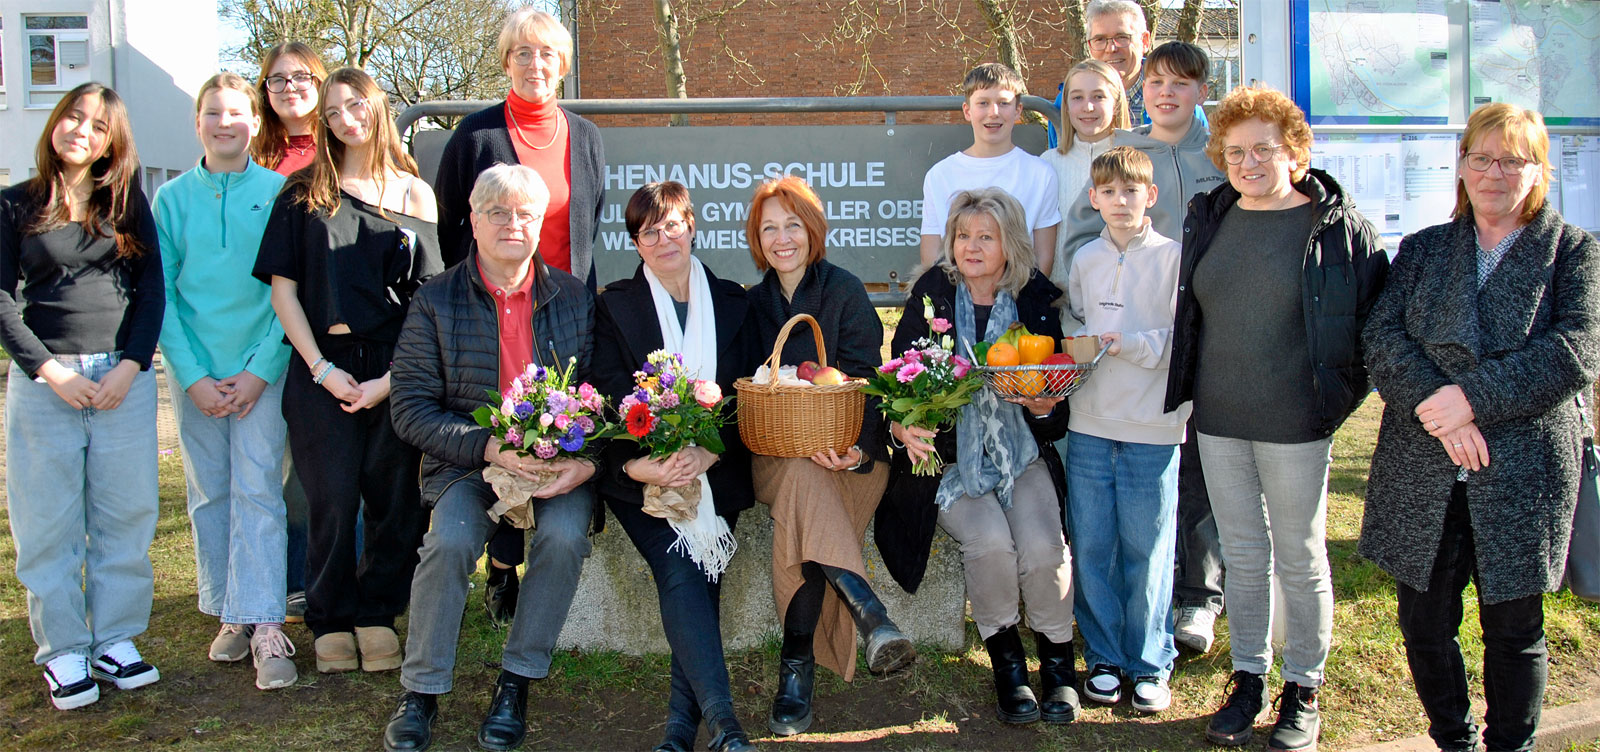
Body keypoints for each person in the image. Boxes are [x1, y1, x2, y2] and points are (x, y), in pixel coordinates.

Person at [1361, 102, 1600, 752]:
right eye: (1481, 157)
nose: (1494, 172)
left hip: (1522, 468)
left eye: (1512, 159)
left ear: (1539, 169)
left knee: (1514, 626)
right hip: (1425, 461)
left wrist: (1470, 399)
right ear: (1462, 164)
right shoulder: (1426, 247)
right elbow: (1382, 335)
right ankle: (1455, 740)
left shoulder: (1573, 252)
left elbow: (1577, 349)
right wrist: (1438, 407)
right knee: (1423, 621)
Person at [1164, 85, 1388, 752]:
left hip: (1296, 425)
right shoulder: (1214, 214)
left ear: (1293, 150)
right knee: (1244, 555)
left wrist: (1327, 408)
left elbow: (1370, 332)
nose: (1249, 162)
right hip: (1220, 419)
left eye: (1264, 148)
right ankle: (1249, 678)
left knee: (1301, 556)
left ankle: (1303, 688)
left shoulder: (1336, 227)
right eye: (1235, 151)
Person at [384, 164, 597, 752]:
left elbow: (601, 396)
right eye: (497, 213)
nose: (512, 224)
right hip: (469, 462)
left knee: (564, 537)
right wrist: (486, 446)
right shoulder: (435, 301)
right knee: (449, 544)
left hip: (557, 464)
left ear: (540, 224)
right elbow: (410, 409)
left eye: (525, 214)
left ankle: (516, 681)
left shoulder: (573, 298)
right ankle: (421, 692)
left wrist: (588, 461)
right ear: (473, 222)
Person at [253, 67, 443, 676]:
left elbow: (430, 299)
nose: (343, 118)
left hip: (397, 371)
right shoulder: (303, 193)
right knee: (329, 498)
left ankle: (378, 612)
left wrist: (392, 380)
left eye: (353, 104)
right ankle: (330, 617)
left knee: (396, 500)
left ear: (377, 107)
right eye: (331, 111)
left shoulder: (416, 194)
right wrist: (320, 369)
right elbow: (284, 295)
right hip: (322, 370)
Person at [432, 7, 608, 623]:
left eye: (548, 54)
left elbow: (590, 223)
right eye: (523, 53)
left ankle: (541, 555)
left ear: (563, 65)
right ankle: (503, 561)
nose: (536, 64)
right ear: (506, 61)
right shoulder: (476, 137)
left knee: (554, 431)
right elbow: (452, 222)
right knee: (501, 425)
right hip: (495, 310)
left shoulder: (585, 137)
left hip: (563, 317)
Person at [883, 188, 1077, 726]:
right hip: (949, 463)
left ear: (1009, 244)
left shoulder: (1036, 299)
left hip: (1021, 456)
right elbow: (898, 380)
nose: (971, 246)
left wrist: (1042, 407)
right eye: (963, 235)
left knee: (1042, 546)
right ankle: (1008, 666)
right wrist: (902, 424)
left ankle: (1059, 664)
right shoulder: (932, 293)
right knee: (990, 543)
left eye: (985, 236)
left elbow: (1055, 414)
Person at [0, 82, 165, 710]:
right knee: (48, 519)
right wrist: (50, 372)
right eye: (74, 118)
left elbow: (151, 290)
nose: (82, 131)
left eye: (98, 126)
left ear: (110, 142)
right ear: (55, 124)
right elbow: (1, 301)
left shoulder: (125, 204)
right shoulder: (15, 205)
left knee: (126, 513)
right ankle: (64, 650)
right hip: (48, 382)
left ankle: (116, 639)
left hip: (121, 378)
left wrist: (131, 365)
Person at [1061, 40, 1228, 657]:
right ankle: (1119, 637)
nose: (1166, 93)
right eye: (1155, 82)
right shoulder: (1123, 158)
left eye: (1181, 83)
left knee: (1201, 471)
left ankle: (1197, 598)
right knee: (1134, 501)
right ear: (1142, 91)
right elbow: (1081, 240)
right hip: (1125, 370)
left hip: (1214, 331)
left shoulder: (1221, 153)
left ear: (1200, 92)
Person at [743, 176, 916, 737]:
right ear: (757, 238)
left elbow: (867, 379)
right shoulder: (752, 306)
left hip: (851, 458)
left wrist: (858, 448)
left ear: (812, 229)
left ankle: (796, 670)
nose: (782, 238)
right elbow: (741, 393)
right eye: (769, 228)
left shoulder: (843, 290)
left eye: (793, 224)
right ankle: (869, 613)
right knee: (796, 472)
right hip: (776, 455)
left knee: (804, 497)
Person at [592, 181, 758, 752]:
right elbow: (607, 396)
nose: (664, 239)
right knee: (685, 569)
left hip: (716, 471)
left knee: (697, 573)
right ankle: (726, 726)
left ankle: (680, 730)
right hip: (640, 479)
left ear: (692, 226)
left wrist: (710, 451)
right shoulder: (613, 304)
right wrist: (643, 468)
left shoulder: (736, 301)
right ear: (636, 244)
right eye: (648, 231)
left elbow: (749, 396)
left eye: (673, 225)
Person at [154, 72, 296, 691]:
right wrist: (192, 377)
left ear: (253, 120)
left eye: (236, 112)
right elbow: (161, 296)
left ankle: (266, 623)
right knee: (210, 493)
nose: (225, 122)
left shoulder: (281, 192)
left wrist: (259, 371)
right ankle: (229, 612)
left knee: (260, 491)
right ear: (198, 123)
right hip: (197, 378)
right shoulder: (171, 200)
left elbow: (291, 295)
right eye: (213, 113)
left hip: (261, 372)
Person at [1064, 146, 1187, 715]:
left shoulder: (1175, 259)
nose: (1119, 201)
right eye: (1108, 192)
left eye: (1130, 191)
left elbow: (1183, 344)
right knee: (1092, 543)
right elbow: (1079, 323)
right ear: (1094, 199)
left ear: (1150, 197)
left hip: (1154, 424)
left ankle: (1149, 662)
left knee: (1148, 545)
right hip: (1090, 420)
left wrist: (1129, 344)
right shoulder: (1085, 259)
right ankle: (1106, 657)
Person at [252, 40, 330, 625]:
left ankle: (323, 579)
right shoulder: (252, 157)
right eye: (277, 80)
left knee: (320, 470)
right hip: (263, 332)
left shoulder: (340, 149)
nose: (289, 88)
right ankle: (274, 582)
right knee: (270, 471)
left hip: (322, 334)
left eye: (301, 76)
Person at [919, 63, 1061, 277]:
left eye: (1003, 103)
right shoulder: (939, 175)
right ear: (967, 111)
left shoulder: (1041, 174)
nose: (993, 113)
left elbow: (1043, 257)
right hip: (956, 298)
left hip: (1018, 297)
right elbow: (931, 254)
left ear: (1018, 110)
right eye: (983, 103)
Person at [1043, 58, 1129, 331]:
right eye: (1077, 97)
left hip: (1125, 308)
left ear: (1116, 102)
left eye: (1098, 97)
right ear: (1066, 106)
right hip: (1062, 311)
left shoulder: (1136, 160)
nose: (1088, 107)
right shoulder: (1047, 164)